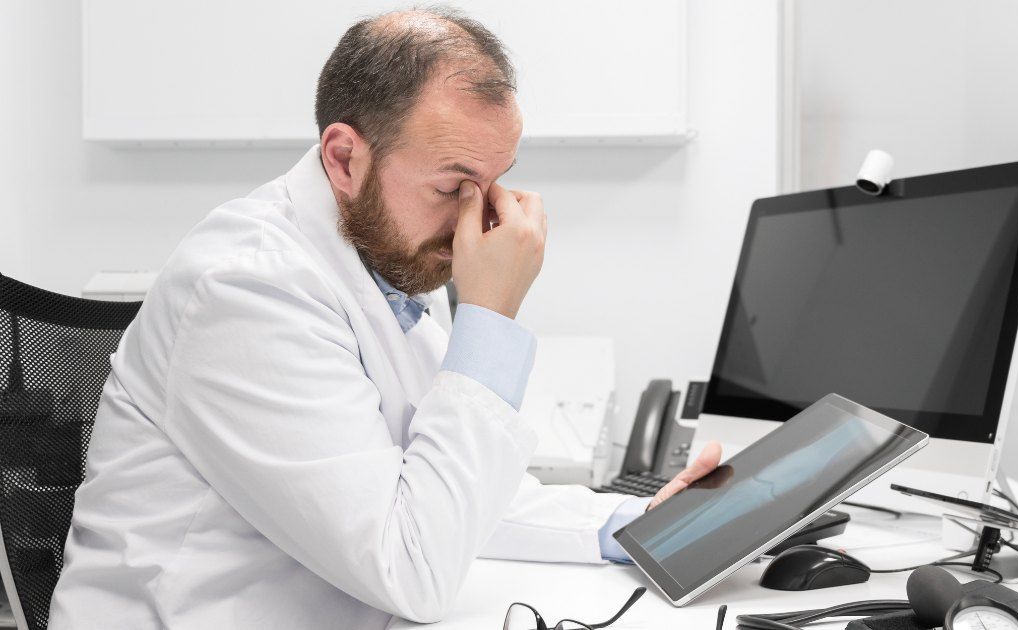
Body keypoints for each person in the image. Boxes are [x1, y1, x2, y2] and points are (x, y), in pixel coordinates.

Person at [47, 8, 720, 629]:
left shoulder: (387, 249)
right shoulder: (246, 289)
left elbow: (453, 496)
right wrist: (489, 315)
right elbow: (411, 567)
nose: (475, 220)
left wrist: (634, 524)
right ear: (345, 158)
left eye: (492, 182)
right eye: (451, 187)